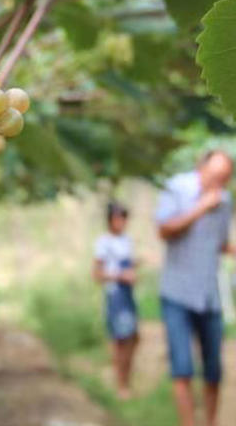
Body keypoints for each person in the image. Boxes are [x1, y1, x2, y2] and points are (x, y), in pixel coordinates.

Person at [156, 150, 235, 426]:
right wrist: (201, 207)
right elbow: (164, 230)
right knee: (183, 369)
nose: (217, 184)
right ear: (201, 168)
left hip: (209, 294)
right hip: (177, 292)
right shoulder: (177, 187)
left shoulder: (225, 202)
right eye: (214, 177)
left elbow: (220, 243)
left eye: (224, 180)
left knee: (214, 371)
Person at [93, 201, 139, 400]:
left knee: (133, 338)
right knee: (120, 339)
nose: (122, 222)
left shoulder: (127, 240)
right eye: (118, 218)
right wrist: (121, 276)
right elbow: (97, 273)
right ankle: (120, 384)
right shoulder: (104, 243)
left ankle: (125, 381)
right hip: (115, 294)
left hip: (128, 294)